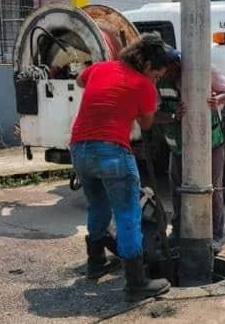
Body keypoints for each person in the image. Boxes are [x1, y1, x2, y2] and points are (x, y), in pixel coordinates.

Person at [69, 33, 171, 302]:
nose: (156, 80)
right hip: (112, 150)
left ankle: (96, 262)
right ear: (148, 66)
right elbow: (147, 124)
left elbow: (80, 80)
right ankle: (137, 283)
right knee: (128, 213)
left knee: (98, 205)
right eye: (157, 75)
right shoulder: (143, 85)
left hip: (79, 149)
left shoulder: (101, 68)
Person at [155, 46, 225, 254]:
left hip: (210, 142)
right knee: (177, 188)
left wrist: (217, 100)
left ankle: (216, 235)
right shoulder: (156, 79)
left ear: (175, 64)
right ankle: (178, 231)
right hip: (178, 145)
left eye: (169, 68)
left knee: (213, 189)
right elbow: (153, 114)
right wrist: (173, 116)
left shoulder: (201, 70)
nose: (166, 72)